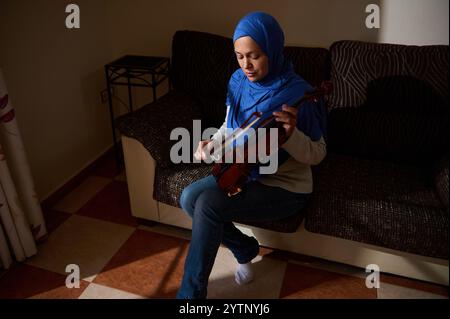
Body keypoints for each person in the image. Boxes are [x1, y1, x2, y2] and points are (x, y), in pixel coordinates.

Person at [176, 11, 327, 299]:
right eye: (239, 56)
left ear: (272, 49)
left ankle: (189, 297)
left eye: (255, 56)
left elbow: (318, 154)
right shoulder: (237, 82)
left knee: (207, 203)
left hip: (285, 187)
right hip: (243, 172)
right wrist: (213, 141)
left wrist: (292, 134)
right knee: (188, 198)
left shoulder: (299, 94)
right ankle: (244, 247)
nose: (246, 65)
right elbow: (230, 126)